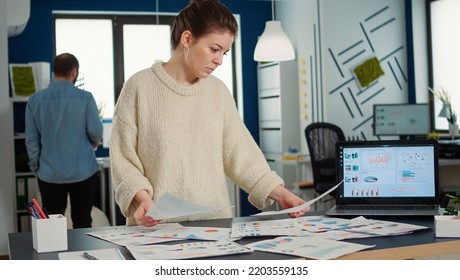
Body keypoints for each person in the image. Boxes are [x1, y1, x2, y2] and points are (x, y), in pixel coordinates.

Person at [110, 0, 308, 227]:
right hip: (156, 229)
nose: (220, 60)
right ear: (187, 39)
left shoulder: (218, 92)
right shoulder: (139, 87)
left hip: (214, 229)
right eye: (214, 49)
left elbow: (241, 154)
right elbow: (123, 159)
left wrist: (282, 194)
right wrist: (143, 199)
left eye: (224, 52)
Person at [25, 53, 103, 228]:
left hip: (49, 174)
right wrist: (94, 142)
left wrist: (36, 167)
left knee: (52, 225)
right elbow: (96, 132)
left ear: (55, 72)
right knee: (82, 221)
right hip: (83, 171)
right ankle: (82, 255)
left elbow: (31, 141)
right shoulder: (86, 98)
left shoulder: (35, 100)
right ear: (74, 71)